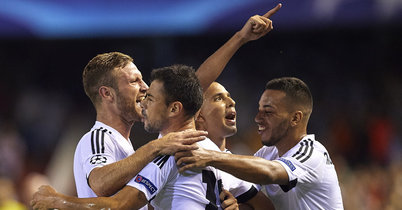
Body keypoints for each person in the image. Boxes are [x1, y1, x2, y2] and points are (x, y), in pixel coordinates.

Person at [75, 2, 281, 200]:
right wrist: (156, 146)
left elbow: (193, 86)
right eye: (134, 81)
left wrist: (240, 38)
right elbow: (101, 183)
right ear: (107, 94)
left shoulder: (128, 147)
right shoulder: (99, 138)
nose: (145, 87)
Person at [32, 65, 255, 209]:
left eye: (151, 98)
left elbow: (118, 205)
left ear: (174, 109)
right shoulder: (210, 151)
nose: (144, 100)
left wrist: (57, 200)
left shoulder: (168, 152)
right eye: (136, 83)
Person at [176, 77, 344, 210]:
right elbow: (247, 189)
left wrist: (210, 157)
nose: (258, 118)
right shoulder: (267, 154)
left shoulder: (312, 154)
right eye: (259, 110)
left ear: (295, 118)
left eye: (268, 112)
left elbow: (270, 172)